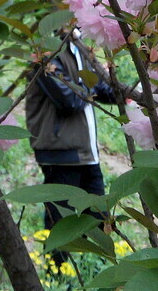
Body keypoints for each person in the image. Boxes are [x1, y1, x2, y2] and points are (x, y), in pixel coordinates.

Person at [25, 28, 115, 271]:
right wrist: (87, 87)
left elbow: (104, 91)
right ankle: (58, 272)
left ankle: (95, 270)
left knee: (97, 216)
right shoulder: (46, 53)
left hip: (87, 153)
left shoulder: (80, 49)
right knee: (61, 220)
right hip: (60, 152)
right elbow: (70, 99)